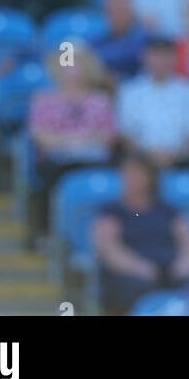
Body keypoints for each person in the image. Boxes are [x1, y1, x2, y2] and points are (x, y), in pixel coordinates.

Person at [27, 42, 115, 241]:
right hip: (58, 160)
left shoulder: (100, 100)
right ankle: (45, 232)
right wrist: (77, 140)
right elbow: (40, 135)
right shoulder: (44, 100)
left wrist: (73, 140)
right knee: (47, 175)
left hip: (93, 158)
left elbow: (108, 136)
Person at [92, 152, 189, 315]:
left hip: (168, 269)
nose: (130, 178)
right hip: (130, 272)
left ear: (150, 177)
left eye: (136, 173)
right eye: (127, 173)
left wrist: (184, 264)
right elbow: (109, 249)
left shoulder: (168, 210)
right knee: (131, 287)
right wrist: (139, 267)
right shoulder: (111, 211)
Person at [116, 37, 189, 168]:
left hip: (181, 159)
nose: (161, 61)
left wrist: (176, 154)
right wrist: (148, 155)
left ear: (175, 58)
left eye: (166, 55)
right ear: (144, 57)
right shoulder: (129, 92)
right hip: (141, 160)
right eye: (156, 55)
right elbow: (124, 133)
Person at [91, 0, 148, 85]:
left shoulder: (145, 38)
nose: (117, 16)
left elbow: (136, 56)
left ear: (132, 12)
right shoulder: (96, 40)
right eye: (112, 12)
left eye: (122, 10)